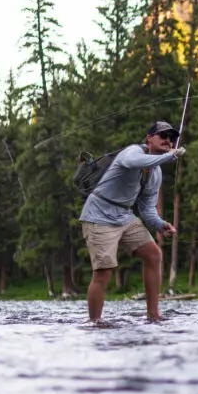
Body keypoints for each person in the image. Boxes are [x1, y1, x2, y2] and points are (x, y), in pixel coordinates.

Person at [79, 121, 186, 322]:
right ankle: (95, 323)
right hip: (98, 215)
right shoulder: (132, 152)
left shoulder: (156, 172)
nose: (168, 140)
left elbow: (146, 208)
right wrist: (168, 156)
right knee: (104, 272)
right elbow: (135, 163)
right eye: (163, 136)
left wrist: (159, 224)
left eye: (171, 138)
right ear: (149, 138)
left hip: (124, 216)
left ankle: (154, 315)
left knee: (154, 254)